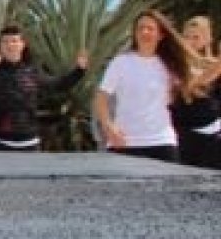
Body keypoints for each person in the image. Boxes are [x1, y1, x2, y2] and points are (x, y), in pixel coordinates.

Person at [94, 10, 196, 163]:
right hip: (124, 142)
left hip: (161, 142)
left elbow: (195, 81)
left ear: (160, 35)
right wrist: (108, 127)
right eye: (140, 28)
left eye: (150, 28)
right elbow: (101, 97)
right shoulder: (121, 62)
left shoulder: (169, 65)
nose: (144, 32)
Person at [0, 26, 88, 152]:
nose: (10, 45)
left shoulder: (32, 72)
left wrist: (79, 71)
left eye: (14, 41)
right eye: (5, 41)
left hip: (30, 142)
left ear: (22, 44)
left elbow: (57, 85)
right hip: (0, 143)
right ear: (0, 46)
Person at [172, 16, 221, 169]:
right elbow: (193, 87)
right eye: (186, 37)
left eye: (196, 37)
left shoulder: (215, 66)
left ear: (207, 39)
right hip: (184, 135)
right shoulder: (176, 65)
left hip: (214, 136)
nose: (190, 42)